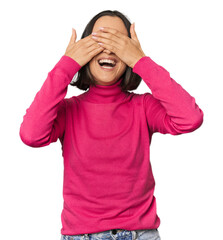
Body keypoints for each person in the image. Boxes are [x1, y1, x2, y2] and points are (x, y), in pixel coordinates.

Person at [19, 10, 204, 240]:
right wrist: (67, 65)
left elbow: (190, 118)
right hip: (82, 235)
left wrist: (140, 61)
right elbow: (31, 134)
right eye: (99, 40)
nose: (108, 49)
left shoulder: (143, 107)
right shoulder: (68, 110)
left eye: (118, 42)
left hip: (141, 234)